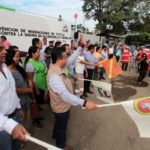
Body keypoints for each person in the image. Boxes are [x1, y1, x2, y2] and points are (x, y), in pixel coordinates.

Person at [47, 47, 97, 150]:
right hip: (61, 107)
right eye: (66, 57)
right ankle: (60, 145)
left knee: (59, 123)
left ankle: (55, 135)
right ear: (59, 59)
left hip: (62, 105)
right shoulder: (54, 76)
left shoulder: (60, 67)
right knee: (62, 127)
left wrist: (80, 48)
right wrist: (84, 103)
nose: (68, 59)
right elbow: (65, 95)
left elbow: (71, 59)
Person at [0, 44, 28, 150]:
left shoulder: (4, 67)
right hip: (2, 127)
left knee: (16, 147)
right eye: (0, 49)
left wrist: (18, 107)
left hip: (15, 116)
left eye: (4, 48)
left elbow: (12, 91)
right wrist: (10, 125)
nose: (5, 52)